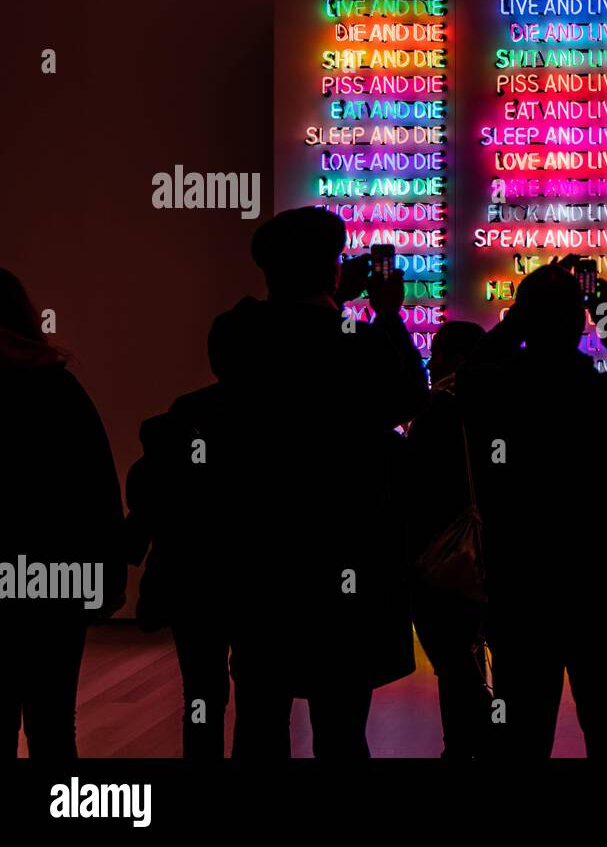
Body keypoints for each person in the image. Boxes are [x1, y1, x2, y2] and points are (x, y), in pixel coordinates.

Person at [211, 208, 429, 758]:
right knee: (341, 722)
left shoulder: (239, 337)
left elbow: (255, 326)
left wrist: (329, 296)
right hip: (344, 553)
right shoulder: (358, 343)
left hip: (261, 556)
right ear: (334, 270)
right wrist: (383, 314)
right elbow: (408, 399)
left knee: (260, 716)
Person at [457, 264, 607, 758]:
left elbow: (465, 379)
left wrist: (516, 323)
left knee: (521, 735)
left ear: (524, 324)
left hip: (522, 589)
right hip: (603, 589)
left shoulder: (496, 394)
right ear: (582, 323)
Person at [0, 268, 125, 758]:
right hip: (55, 581)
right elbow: (96, 490)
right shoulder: (57, 389)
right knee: (54, 723)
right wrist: (108, 577)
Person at [123, 382, 236, 758]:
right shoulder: (280, 415)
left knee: (201, 694)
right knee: (265, 700)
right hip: (259, 578)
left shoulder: (186, 413)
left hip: (192, 581)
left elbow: (149, 499)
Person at [406, 320, 493, 758]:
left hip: (446, 555)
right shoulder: (508, 404)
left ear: (456, 360)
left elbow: (416, 488)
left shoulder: (435, 409)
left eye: (436, 353)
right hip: (505, 552)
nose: (429, 362)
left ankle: (464, 741)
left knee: (454, 659)